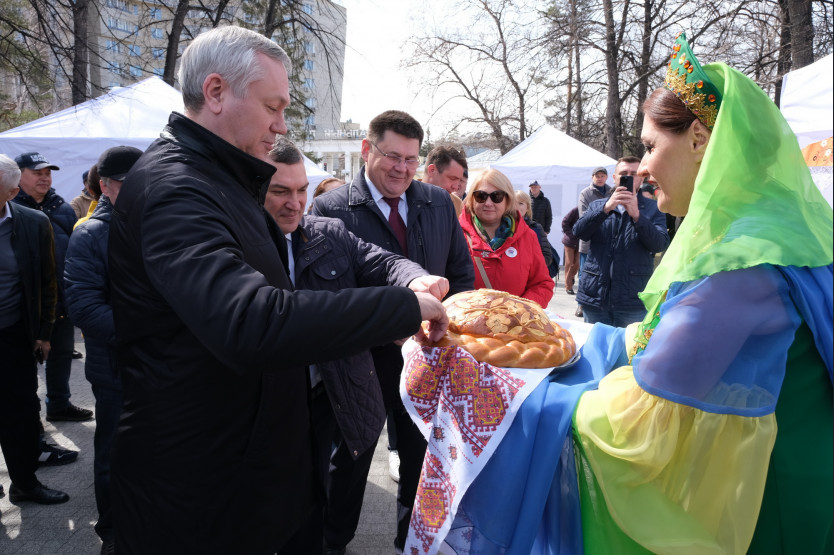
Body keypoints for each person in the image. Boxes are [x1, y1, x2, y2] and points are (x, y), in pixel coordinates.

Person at [431, 32, 833, 555]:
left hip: (768, 500)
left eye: (649, 146)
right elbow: (658, 341)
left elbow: (635, 425)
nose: (641, 167)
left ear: (698, 139)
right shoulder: (771, 232)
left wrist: (506, 400)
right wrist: (565, 332)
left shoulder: (740, 264)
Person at [106, 27, 448, 555]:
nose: (281, 125)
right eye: (272, 106)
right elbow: (252, 321)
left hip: (250, 473)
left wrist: (408, 282)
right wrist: (405, 307)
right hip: (202, 495)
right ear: (216, 92)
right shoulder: (177, 188)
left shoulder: (217, 180)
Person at [264, 136, 448, 555]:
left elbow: (381, 261)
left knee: (313, 503)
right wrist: (401, 308)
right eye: (280, 191)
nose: (294, 203)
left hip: (323, 393)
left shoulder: (325, 232)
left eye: (301, 190)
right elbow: (297, 316)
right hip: (268, 402)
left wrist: (415, 279)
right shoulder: (240, 244)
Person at [310, 109, 473, 554]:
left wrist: (449, 332)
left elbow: (460, 274)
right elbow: (332, 295)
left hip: (428, 356)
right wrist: (390, 327)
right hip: (361, 360)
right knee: (349, 459)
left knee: (422, 458)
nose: (402, 168)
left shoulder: (438, 203)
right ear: (367, 150)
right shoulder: (331, 209)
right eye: (392, 156)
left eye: (411, 159)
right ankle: (333, 542)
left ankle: (411, 542)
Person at [64, 145, 143, 554]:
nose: (141, 189)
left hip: (163, 367)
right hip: (116, 370)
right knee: (114, 456)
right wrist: (148, 332)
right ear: (106, 186)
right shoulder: (90, 234)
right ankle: (112, 533)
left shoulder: (161, 223)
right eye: (130, 183)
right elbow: (84, 307)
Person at [0, 154, 70, 505]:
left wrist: (44, 332)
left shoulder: (33, 223)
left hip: (13, 334)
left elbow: (47, 281)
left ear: (11, 193)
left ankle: (25, 483)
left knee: (21, 412)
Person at [12, 152, 93, 426]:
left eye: (47, 173)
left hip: (60, 297)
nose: (44, 178)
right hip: (24, 304)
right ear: (18, 175)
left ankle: (59, 404)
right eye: (37, 173)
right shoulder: (10, 209)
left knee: (61, 354)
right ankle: (29, 423)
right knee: (23, 366)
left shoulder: (62, 209)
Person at [573, 156, 669, 327]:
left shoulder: (654, 208)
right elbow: (579, 232)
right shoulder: (598, 205)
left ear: (641, 179)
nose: (629, 177)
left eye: (634, 174)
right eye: (624, 173)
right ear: (614, 178)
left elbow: (659, 244)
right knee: (595, 343)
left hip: (632, 300)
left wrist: (637, 216)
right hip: (595, 297)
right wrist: (605, 209)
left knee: (627, 345)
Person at [459, 169, 553, 308]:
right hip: (466, 319)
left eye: (496, 196)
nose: (488, 203)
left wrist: (519, 309)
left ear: (508, 199)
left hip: (513, 320)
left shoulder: (527, 236)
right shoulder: (455, 234)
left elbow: (542, 284)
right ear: (472, 199)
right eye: (481, 196)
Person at [575, 166, 612, 317]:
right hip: (589, 241)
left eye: (603, 175)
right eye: (597, 176)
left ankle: (602, 302)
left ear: (607, 177)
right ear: (592, 178)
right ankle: (581, 304)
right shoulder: (586, 193)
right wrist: (603, 217)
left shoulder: (612, 192)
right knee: (585, 274)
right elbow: (584, 216)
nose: (600, 178)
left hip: (608, 241)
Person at [514, 189, 554, 270]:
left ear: (527, 208)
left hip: (529, 273)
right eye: (513, 203)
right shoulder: (501, 227)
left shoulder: (536, 228)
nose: (517, 207)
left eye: (521, 203)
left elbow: (547, 256)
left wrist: (528, 264)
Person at [423, 145, 467, 217]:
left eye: (459, 180)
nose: (456, 187)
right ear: (432, 170)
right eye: (452, 178)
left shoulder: (457, 204)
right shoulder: (406, 199)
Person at [73, 164, 102, 229]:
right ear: (85, 185)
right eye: (87, 182)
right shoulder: (76, 202)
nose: (90, 185)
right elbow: (74, 222)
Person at [561, 206, 580, 295]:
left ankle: (571, 276)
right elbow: (565, 222)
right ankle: (568, 286)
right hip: (569, 242)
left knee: (577, 263)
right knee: (569, 263)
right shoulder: (576, 210)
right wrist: (571, 235)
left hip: (581, 242)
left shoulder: (591, 211)